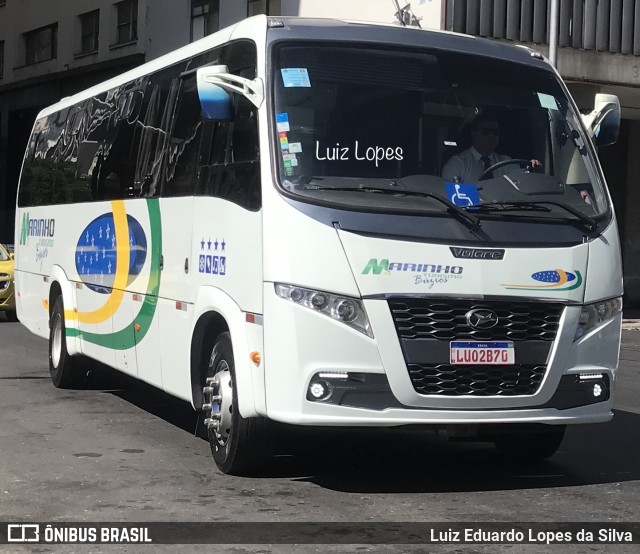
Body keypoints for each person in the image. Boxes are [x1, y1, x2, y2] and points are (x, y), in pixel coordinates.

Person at [442, 113, 540, 183]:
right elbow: (452, 197)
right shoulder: (457, 163)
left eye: (495, 132)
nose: (491, 136)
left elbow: (521, 180)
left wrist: (531, 170)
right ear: (474, 134)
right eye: (486, 132)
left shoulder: (506, 162)